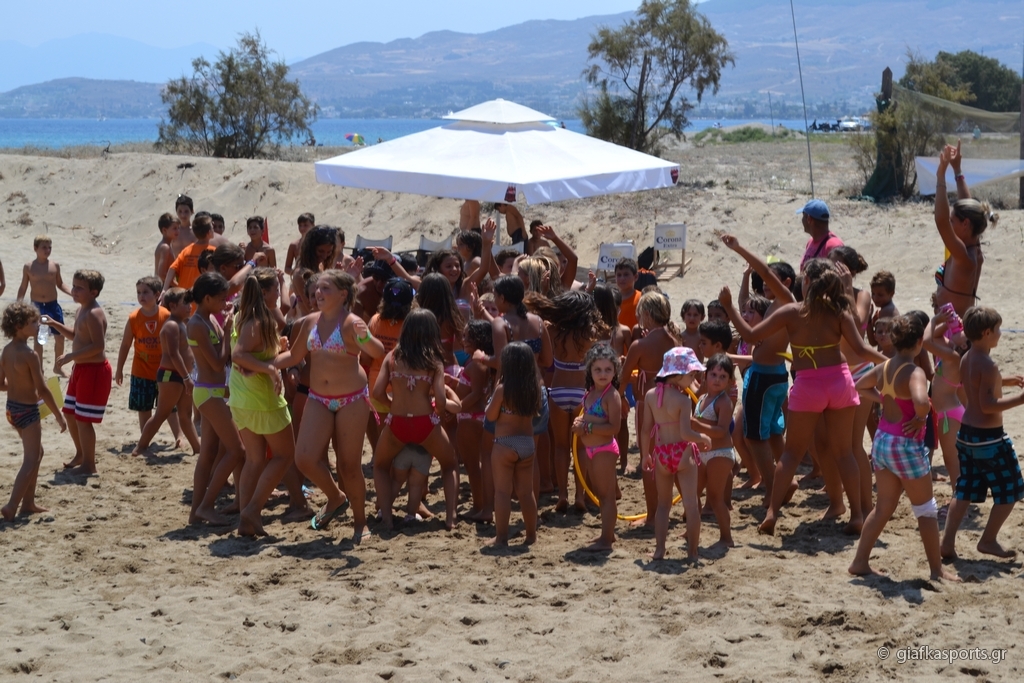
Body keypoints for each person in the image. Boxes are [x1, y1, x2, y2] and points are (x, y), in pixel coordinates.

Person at [719, 258, 886, 536]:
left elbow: (749, 334)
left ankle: (772, 513)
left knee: (792, 454)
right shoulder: (839, 311)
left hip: (809, 384)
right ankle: (857, 514)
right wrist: (892, 364)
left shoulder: (793, 312)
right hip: (839, 382)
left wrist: (728, 306)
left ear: (806, 281)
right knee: (845, 453)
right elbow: (861, 348)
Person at [274, 270, 385, 542]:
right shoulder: (309, 321)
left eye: (326, 289)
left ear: (343, 294)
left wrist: (366, 338)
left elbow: (378, 352)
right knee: (304, 457)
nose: (318, 293)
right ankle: (335, 497)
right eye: (318, 289)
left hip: (351, 399)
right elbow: (294, 356)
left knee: (349, 466)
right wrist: (263, 364)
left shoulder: (351, 323)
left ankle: (361, 523)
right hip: (318, 397)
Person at [850, 315, 960, 582]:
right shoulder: (914, 372)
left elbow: (859, 385)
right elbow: (921, 400)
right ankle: (936, 570)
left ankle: (860, 561)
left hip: (883, 441)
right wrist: (922, 416)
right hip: (905, 445)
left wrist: (883, 398)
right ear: (919, 343)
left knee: (883, 507)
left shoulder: (884, 366)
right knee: (926, 510)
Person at [941, 306, 1024, 560]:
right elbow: (988, 405)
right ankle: (988, 540)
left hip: (966, 435)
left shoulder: (967, 357)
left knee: (964, 490)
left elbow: (975, 383)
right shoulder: (988, 365)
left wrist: (1006, 380)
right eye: (998, 329)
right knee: (1011, 489)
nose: (1000, 333)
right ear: (987, 332)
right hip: (989, 439)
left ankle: (947, 543)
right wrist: (1021, 398)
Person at [718, 234, 796, 505]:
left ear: (785, 283)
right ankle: (788, 480)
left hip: (764, 377)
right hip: (776, 376)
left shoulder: (784, 301)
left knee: (754, 436)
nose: (764, 281)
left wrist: (728, 307)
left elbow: (750, 335)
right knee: (773, 432)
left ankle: (774, 488)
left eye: (769, 278)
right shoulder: (776, 305)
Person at [372, 309, 459, 530]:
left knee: (380, 466)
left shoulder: (392, 357)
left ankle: (387, 518)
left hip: (397, 423)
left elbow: (377, 392)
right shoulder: (434, 361)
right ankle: (451, 518)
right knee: (449, 464)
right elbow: (441, 400)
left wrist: (394, 407)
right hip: (425, 423)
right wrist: (438, 412)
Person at [229, 270, 296, 537]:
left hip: (241, 398)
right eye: (276, 288)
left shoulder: (242, 317)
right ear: (265, 292)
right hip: (263, 400)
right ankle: (252, 510)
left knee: (254, 460)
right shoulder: (260, 321)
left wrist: (277, 347)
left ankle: (247, 520)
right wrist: (270, 369)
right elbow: (239, 355)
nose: (279, 294)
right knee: (284, 455)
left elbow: (251, 353)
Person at [534, 292, 608, 513]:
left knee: (560, 446)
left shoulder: (553, 330)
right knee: (581, 447)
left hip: (558, 391)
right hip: (580, 394)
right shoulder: (591, 333)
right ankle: (579, 495)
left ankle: (562, 495)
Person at [640, 347, 711, 560]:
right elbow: (685, 433)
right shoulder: (683, 400)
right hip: (682, 452)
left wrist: (645, 455)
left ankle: (659, 550)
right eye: (692, 374)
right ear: (678, 374)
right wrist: (703, 438)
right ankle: (693, 552)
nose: (694, 379)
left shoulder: (651, 396)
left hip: (661, 454)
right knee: (691, 504)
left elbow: (645, 430)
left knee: (663, 505)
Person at [619, 291, 683, 524]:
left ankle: (653, 515)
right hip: (673, 405)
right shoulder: (674, 342)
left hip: (649, 407)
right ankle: (689, 505)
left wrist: (620, 398)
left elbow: (622, 378)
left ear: (646, 314)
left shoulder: (640, 345)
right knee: (674, 454)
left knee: (649, 459)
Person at [1, 303, 67, 522]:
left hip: (12, 410)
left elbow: (1, 384)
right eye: (33, 322)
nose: (38, 325)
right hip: (28, 412)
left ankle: (28, 503)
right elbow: (43, 389)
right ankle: (12, 505)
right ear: (18, 326)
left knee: (37, 453)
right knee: (31, 459)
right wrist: (59, 415)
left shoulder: (6, 351)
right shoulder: (30, 355)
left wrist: (19, 386)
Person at [187, 272, 243, 526]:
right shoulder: (197, 324)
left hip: (214, 390)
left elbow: (224, 351)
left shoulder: (209, 318)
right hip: (209, 391)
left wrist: (228, 324)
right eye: (221, 299)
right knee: (237, 450)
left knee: (208, 454)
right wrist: (228, 329)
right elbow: (218, 362)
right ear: (207, 298)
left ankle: (195, 512)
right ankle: (207, 505)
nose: (224, 303)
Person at [44, 270, 111, 476]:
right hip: (80, 370)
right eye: (73, 286)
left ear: (94, 292)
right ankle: (81, 454)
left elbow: (98, 346)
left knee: (83, 419)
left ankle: (89, 465)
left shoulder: (94, 313)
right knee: (70, 413)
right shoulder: (81, 309)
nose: (73, 291)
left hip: (94, 372)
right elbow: (76, 335)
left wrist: (71, 356)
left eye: (79, 288)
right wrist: (54, 323)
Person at [484, 342, 541, 547]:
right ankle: (531, 535)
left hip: (505, 444)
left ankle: (501, 537)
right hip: (527, 444)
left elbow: (490, 416)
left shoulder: (503, 390)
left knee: (502, 492)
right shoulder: (535, 389)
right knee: (526, 492)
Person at [132, 287, 200, 456]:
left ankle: (197, 448)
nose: (190, 306)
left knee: (185, 414)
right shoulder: (171, 325)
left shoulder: (182, 323)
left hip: (182, 375)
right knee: (162, 413)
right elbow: (173, 354)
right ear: (173, 306)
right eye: (186, 303)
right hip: (171, 375)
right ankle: (141, 446)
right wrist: (186, 377)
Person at [933, 140, 997, 317]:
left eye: (952, 221)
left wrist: (940, 176)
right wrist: (957, 171)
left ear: (965, 224)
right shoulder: (974, 247)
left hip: (954, 329)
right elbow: (967, 207)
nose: (950, 224)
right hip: (959, 324)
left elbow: (941, 222)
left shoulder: (963, 255)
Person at [573, 343, 624, 551]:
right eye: (598, 370)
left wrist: (587, 427)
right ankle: (607, 534)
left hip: (604, 449)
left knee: (606, 496)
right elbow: (587, 417)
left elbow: (614, 428)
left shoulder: (611, 396)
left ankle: (606, 540)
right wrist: (580, 424)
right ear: (590, 371)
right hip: (591, 449)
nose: (603, 374)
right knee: (600, 495)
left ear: (615, 371)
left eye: (608, 370)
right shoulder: (591, 392)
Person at [115, 277, 173, 435]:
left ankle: (178, 436)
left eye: (146, 292)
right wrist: (119, 369)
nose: (141, 296)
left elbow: (176, 343)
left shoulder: (166, 316)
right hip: (141, 372)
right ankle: (145, 436)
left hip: (165, 371)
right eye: (139, 292)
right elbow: (125, 345)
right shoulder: (133, 318)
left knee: (169, 407)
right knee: (143, 407)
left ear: (157, 295)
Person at [692, 353, 738, 549]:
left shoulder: (724, 402)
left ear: (729, 381)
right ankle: (691, 529)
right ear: (705, 376)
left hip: (720, 453)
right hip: (702, 453)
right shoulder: (702, 397)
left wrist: (698, 426)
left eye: (722, 376)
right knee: (693, 493)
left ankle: (726, 537)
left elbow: (721, 431)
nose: (717, 380)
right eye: (713, 375)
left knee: (715, 497)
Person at [364, 278, 415, 452]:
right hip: (403, 386)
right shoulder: (412, 324)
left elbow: (365, 359)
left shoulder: (374, 320)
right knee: (405, 436)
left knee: (384, 436)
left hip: (376, 385)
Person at [454, 319, 495, 522]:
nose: (464, 340)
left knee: (473, 466)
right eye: (464, 336)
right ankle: (481, 505)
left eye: (469, 336)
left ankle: (480, 506)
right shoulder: (476, 362)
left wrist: (457, 407)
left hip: (471, 419)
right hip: (472, 417)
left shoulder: (477, 364)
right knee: (474, 465)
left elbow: (477, 393)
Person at [16, 235, 72, 377]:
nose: (47, 250)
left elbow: (60, 284)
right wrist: (18, 304)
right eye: (44, 247)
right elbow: (23, 287)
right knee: (39, 339)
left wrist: (72, 292)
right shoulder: (29, 267)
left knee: (60, 337)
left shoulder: (54, 266)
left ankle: (58, 367)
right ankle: (39, 369)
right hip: (37, 307)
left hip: (53, 305)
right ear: (35, 248)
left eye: (49, 247)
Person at [925, 308, 967, 491]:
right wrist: (946, 323)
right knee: (954, 461)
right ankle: (960, 497)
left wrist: (936, 319)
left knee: (952, 462)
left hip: (949, 415)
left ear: (964, 345)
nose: (959, 330)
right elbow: (936, 337)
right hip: (950, 412)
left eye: (962, 332)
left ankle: (959, 499)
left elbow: (926, 341)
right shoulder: (953, 352)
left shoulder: (953, 356)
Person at [164, 214, 216, 294]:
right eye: (212, 227)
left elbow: (172, 268)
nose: (214, 229)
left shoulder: (187, 250)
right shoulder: (213, 251)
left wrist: (164, 289)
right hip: (201, 295)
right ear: (209, 233)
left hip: (183, 295)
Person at [797, 199, 843, 270]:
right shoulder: (811, 241)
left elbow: (840, 275)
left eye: (803, 216)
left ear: (809, 219)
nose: (802, 220)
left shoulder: (833, 245)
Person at [868, 270, 898, 349]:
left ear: (891, 294)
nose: (875, 298)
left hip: (886, 354)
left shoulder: (886, 311)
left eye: (880, 295)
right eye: (873, 293)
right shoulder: (890, 308)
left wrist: (868, 321)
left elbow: (873, 342)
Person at [614, 258, 641, 330]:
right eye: (619, 275)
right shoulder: (611, 298)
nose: (622, 278)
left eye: (626, 274)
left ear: (636, 277)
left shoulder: (641, 298)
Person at [154, 213, 179, 281]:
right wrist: (177, 285)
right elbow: (161, 274)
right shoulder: (165, 247)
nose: (178, 231)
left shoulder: (166, 245)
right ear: (164, 230)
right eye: (174, 228)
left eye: (178, 228)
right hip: (162, 285)